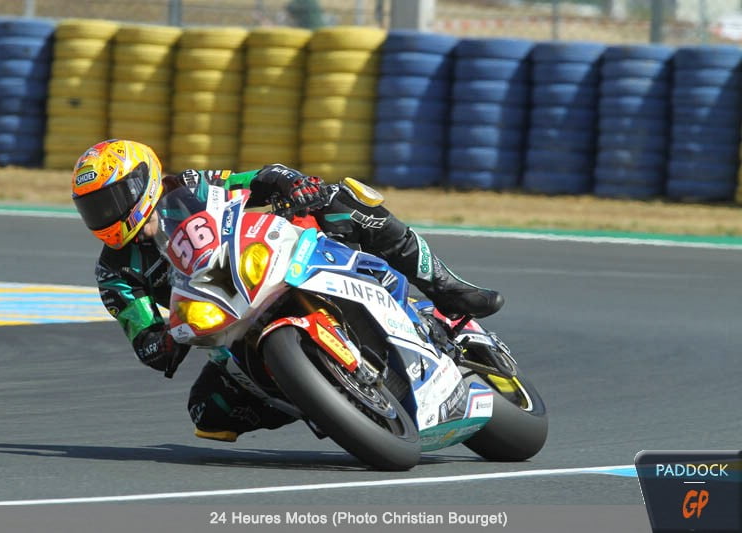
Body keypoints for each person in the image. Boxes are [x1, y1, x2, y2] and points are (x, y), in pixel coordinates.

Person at [71, 139, 504, 443]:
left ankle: (446, 288)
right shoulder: (114, 273)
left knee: (342, 197)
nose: (104, 214)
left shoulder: (189, 186)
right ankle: (322, 398)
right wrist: (169, 337)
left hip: (266, 265)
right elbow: (146, 342)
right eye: (93, 208)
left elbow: (260, 178)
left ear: (142, 181)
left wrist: (292, 183)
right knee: (208, 414)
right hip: (227, 329)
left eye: (111, 199)